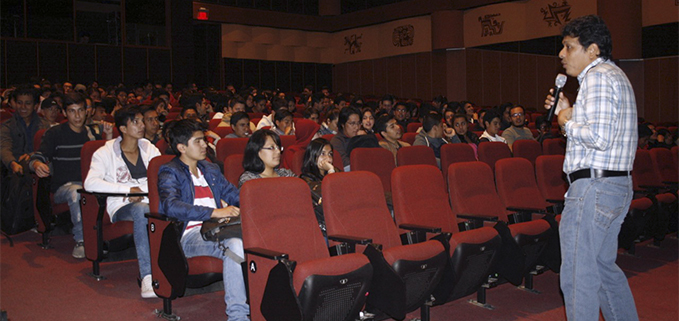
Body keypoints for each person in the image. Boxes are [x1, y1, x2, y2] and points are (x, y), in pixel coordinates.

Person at [544, 15, 638, 321]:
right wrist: (567, 110)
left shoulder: (596, 77)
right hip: (615, 186)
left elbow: (598, 137)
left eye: (569, 47)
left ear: (593, 50)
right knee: (602, 269)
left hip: (593, 190)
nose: (561, 54)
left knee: (578, 275)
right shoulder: (616, 75)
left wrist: (565, 120)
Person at [157, 119, 249, 320]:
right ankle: (238, 316)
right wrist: (213, 212)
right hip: (190, 235)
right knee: (235, 245)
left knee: (254, 238)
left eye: (204, 140)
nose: (204, 145)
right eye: (198, 141)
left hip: (217, 230)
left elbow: (233, 194)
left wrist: (260, 199)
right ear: (181, 147)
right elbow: (169, 205)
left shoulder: (210, 169)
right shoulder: (169, 171)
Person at [83, 106, 160, 298]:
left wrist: (144, 192)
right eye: (136, 122)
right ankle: (147, 276)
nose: (142, 125)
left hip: (151, 200)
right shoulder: (105, 152)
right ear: (123, 128)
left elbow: (164, 175)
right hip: (121, 206)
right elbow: (90, 183)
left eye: (142, 121)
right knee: (142, 209)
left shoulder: (149, 148)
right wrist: (127, 190)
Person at [30, 92, 112, 258]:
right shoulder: (55, 133)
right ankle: (82, 240)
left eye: (81, 110)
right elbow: (37, 157)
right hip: (64, 187)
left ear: (87, 111)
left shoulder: (92, 133)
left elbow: (108, 159)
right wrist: (37, 164)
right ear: (65, 113)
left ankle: (106, 238)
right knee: (77, 192)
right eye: (72, 111)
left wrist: (109, 137)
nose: (77, 115)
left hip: (90, 184)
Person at [1, 86, 50, 176]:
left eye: (28, 103)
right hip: (14, 169)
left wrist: (31, 155)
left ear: (35, 105)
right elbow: (4, 148)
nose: (23, 107)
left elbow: (47, 148)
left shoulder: (44, 125)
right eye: (19, 103)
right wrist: (12, 163)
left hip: (38, 166)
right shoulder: (7, 126)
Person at [299, 138, 339, 238]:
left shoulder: (335, 171)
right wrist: (330, 171)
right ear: (313, 156)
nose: (328, 158)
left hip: (340, 217)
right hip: (323, 227)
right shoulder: (306, 179)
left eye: (330, 154)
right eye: (323, 154)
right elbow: (328, 197)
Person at [330, 106, 361, 171]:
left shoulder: (362, 137)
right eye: (352, 123)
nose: (357, 127)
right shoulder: (337, 141)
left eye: (358, 123)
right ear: (343, 124)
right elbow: (346, 166)